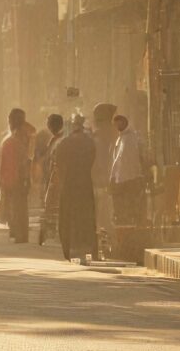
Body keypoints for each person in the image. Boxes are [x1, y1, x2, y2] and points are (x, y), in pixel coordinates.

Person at [53, 114, 99, 263]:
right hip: (85, 183)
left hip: (68, 183)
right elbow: (94, 163)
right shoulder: (90, 143)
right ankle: (91, 250)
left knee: (67, 217)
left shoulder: (64, 143)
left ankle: (67, 250)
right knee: (87, 217)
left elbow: (58, 164)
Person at [0, 109, 36, 243]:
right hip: (13, 176)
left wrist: (25, 177)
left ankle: (20, 233)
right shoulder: (18, 135)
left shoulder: (22, 137)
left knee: (18, 206)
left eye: (10, 120)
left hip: (17, 177)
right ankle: (17, 231)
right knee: (16, 206)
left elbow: (27, 159)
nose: (8, 122)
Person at [109, 111, 148, 232]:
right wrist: (112, 177)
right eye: (115, 124)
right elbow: (116, 160)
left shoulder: (134, 137)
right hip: (121, 180)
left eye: (119, 123)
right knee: (122, 209)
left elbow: (142, 157)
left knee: (132, 206)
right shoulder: (119, 139)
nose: (117, 126)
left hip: (133, 179)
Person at [90, 103, 120, 259]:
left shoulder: (98, 137)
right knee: (109, 217)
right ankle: (114, 246)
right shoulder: (117, 134)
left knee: (101, 218)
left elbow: (98, 161)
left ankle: (102, 249)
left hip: (100, 182)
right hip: (115, 182)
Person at [34, 113, 64, 245]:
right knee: (50, 205)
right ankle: (50, 232)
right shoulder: (54, 139)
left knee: (51, 206)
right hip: (50, 177)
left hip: (55, 178)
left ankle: (50, 232)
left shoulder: (59, 140)